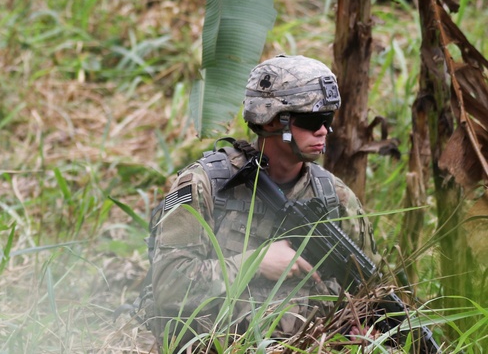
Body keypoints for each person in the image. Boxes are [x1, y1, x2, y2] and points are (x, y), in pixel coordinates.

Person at [146, 55, 376, 352]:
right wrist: (255, 262)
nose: (322, 131)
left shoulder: (335, 196)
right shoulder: (205, 184)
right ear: (270, 122)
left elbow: (371, 293)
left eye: (328, 121)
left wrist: (362, 326)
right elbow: (169, 286)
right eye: (310, 120)